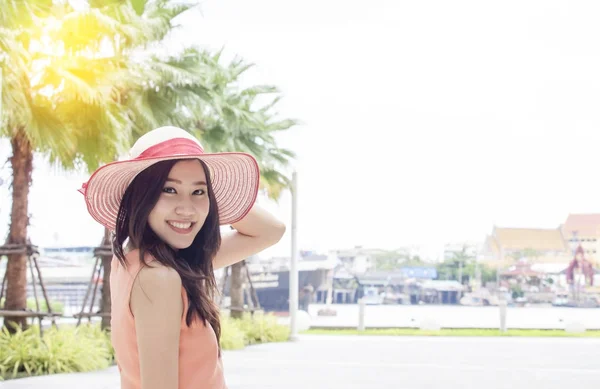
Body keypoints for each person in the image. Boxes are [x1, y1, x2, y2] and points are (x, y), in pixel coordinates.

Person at [79, 126, 286, 389]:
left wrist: (211, 197)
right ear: (141, 196)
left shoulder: (138, 261)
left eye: (199, 192)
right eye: (169, 190)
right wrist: (198, 195)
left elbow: (271, 231)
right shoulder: (159, 277)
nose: (186, 208)